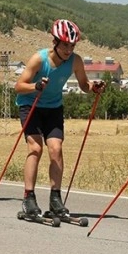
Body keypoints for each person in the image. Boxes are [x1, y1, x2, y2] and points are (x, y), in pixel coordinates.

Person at [14, 19, 105, 217]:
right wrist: (35, 86)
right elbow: (18, 86)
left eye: (72, 45)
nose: (68, 49)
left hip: (54, 107)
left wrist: (93, 87)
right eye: (65, 44)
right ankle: (29, 197)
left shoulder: (76, 61)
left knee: (56, 149)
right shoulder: (40, 59)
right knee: (35, 148)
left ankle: (55, 199)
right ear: (55, 41)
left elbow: (83, 85)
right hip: (31, 105)